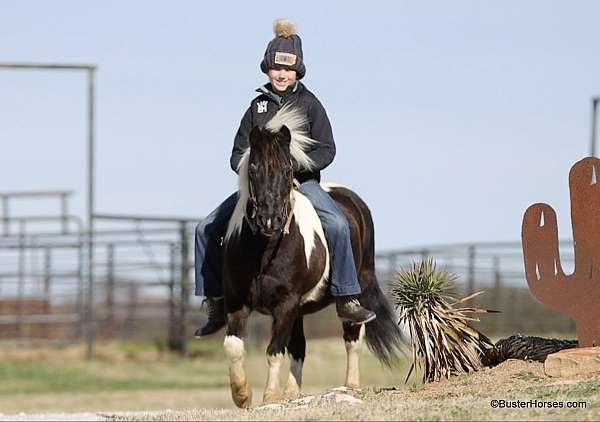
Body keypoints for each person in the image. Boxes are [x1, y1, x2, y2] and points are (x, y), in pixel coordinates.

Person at [194, 19, 375, 337]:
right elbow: (237, 154)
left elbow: (328, 149)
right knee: (205, 227)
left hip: (302, 184)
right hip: (259, 190)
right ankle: (216, 301)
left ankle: (347, 295)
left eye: (288, 70)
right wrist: (256, 172)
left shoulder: (310, 105)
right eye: (276, 68)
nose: (281, 74)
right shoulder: (256, 107)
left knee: (337, 224)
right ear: (267, 69)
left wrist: (294, 168)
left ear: (298, 72)